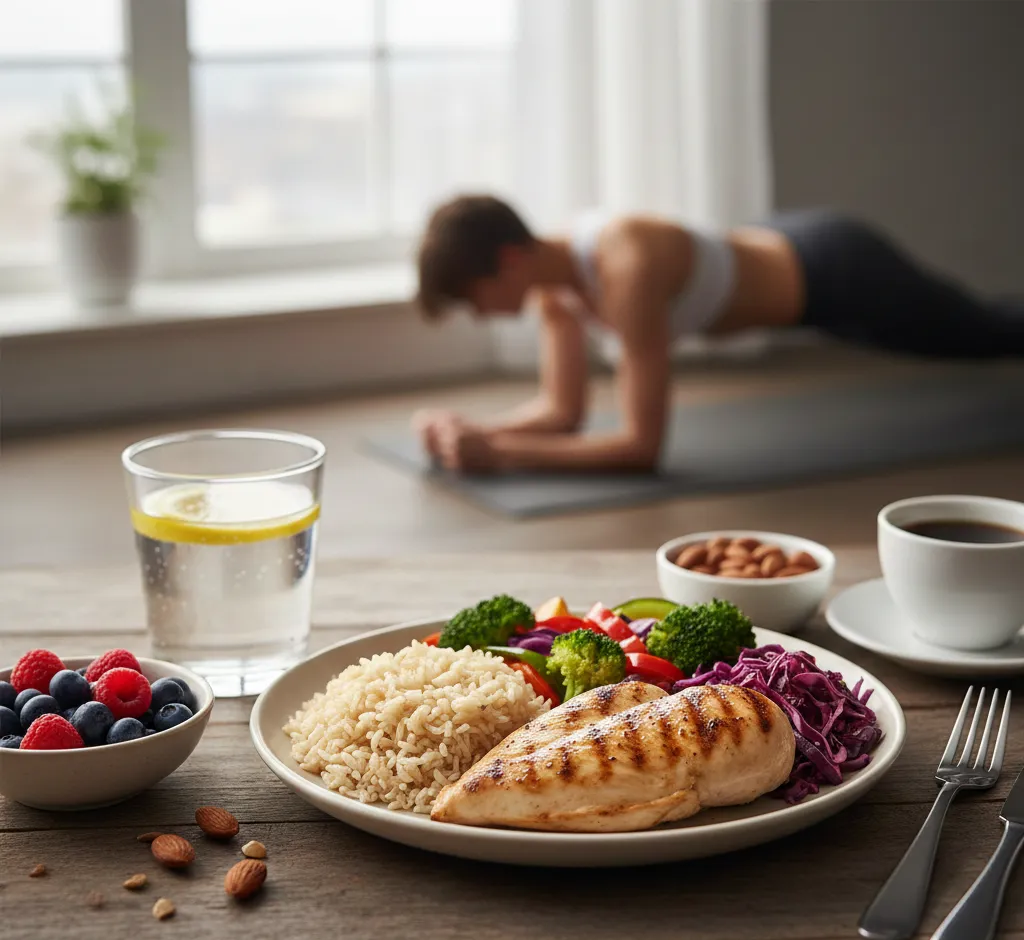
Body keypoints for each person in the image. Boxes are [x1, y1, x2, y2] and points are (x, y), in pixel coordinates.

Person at [411, 195, 1024, 474]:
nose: (480, 315)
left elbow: (640, 447)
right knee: (984, 328)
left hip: (836, 270)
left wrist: (500, 453)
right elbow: (561, 413)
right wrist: (473, 430)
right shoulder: (554, 288)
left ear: (509, 260)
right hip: (782, 250)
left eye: (472, 298)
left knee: (986, 331)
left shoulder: (625, 267)